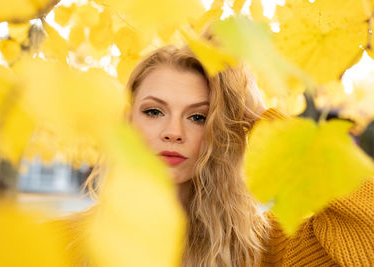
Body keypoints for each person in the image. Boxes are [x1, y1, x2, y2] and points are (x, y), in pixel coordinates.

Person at [61, 45, 374, 266]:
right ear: (128, 122)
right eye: (154, 111)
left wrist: (258, 115)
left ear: (219, 133)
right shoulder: (61, 241)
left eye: (198, 117)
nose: (173, 131)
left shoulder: (263, 249)